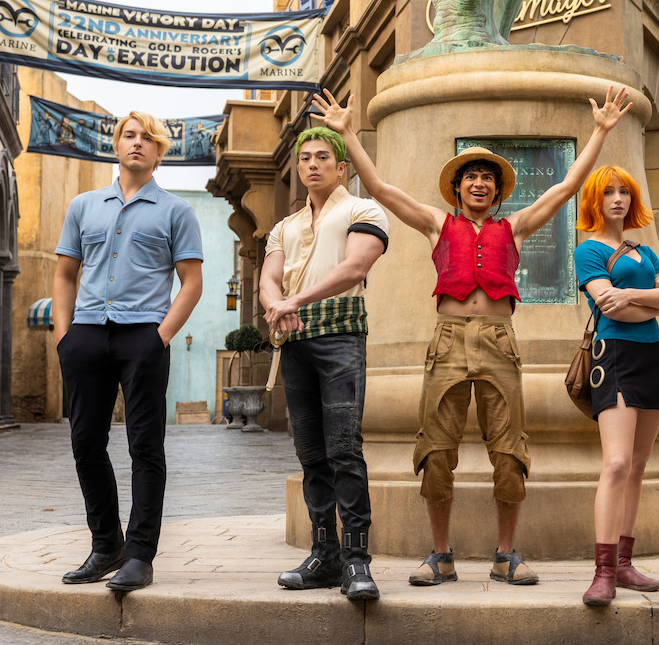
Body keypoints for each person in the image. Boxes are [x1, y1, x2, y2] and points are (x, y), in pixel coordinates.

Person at [310, 85, 632, 587]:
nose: (479, 184)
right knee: (436, 450)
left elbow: (567, 187)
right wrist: (348, 133)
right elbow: (380, 187)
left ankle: (506, 555)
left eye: (487, 178)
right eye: (471, 177)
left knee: (509, 452)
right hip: (448, 339)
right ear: (457, 188)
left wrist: (600, 131)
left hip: (500, 339)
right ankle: (441, 556)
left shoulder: (516, 226)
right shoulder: (437, 224)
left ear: (498, 191)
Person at [52, 111, 204, 592]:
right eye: (129, 136)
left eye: (148, 139)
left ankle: (140, 555)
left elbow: (192, 284)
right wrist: (65, 336)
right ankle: (105, 546)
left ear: (160, 152)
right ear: (116, 145)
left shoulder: (176, 211)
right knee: (85, 444)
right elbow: (64, 274)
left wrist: (158, 337)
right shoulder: (83, 207)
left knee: (145, 446)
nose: (137, 144)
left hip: (143, 334)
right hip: (88, 334)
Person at [259, 126, 390, 602]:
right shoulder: (284, 226)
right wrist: (276, 303)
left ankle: (357, 562)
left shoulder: (362, 209)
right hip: (295, 342)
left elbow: (355, 267)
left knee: (344, 450)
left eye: (322, 157)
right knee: (311, 452)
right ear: (298, 169)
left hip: (340, 338)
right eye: (306, 158)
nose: (313, 164)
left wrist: (292, 300)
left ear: (342, 167)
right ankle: (325, 554)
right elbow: (268, 277)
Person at [572, 165, 659, 607]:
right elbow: (610, 310)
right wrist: (647, 299)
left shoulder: (645, 251)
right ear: (594, 201)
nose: (617, 199)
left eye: (624, 192)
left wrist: (632, 296)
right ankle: (602, 571)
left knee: (638, 464)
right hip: (613, 356)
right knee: (615, 463)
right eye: (608, 192)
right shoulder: (588, 251)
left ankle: (624, 564)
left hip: (653, 356)